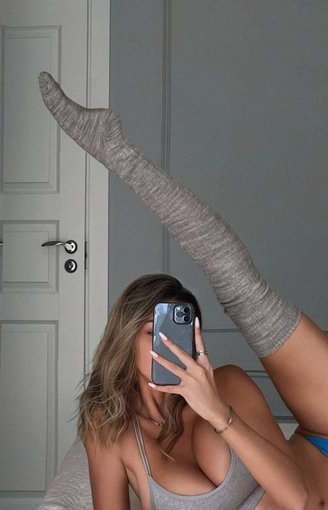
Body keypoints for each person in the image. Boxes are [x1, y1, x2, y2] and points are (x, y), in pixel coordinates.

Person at [38, 72, 328, 509]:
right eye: (153, 331)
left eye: (182, 328)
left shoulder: (226, 385)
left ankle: (116, 150)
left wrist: (216, 412)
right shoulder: (112, 432)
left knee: (242, 290)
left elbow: (300, 499)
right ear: (124, 339)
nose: (170, 343)